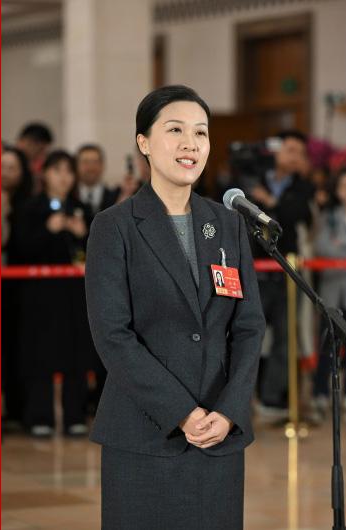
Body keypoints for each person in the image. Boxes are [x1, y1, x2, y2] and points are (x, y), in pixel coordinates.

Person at [85, 85, 266, 530]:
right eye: (175, 130)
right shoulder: (115, 227)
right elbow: (113, 335)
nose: (191, 144)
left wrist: (230, 410)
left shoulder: (228, 224)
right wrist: (182, 412)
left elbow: (248, 327)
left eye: (200, 133)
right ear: (144, 143)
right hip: (145, 434)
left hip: (219, 435)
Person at [14, 150, 91, 437]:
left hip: (73, 294)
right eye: (57, 170)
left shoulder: (80, 207)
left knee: (75, 351)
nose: (64, 177)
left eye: (68, 171)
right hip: (40, 295)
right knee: (40, 353)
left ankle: (75, 415)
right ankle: (39, 416)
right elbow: (21, 248)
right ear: (44, 173)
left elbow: (93, 252)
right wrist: (48, 229)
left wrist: (83, 234)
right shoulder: (30, 208)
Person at [246, 130, 314, 416]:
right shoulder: (254, 180)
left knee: (286, 339)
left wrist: (270, 203)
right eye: (289, 149)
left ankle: (272, 399)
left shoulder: (303, 187)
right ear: (277, 151)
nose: (293, 156)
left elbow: (295, 215)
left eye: (299, 152)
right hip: (255, 273)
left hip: (287, 274)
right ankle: (241, 397)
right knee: (247, 335)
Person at [311, 169, 346, 416]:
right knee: (328, 343)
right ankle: (320, 393)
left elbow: (334, 246)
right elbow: (321, 246)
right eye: (345, 185)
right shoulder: (330, 217)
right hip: (333, 290)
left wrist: (340, 246)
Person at [1, 148, 32, 431]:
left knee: (16, 348)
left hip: (18, 290)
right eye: (2, 166)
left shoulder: (27, 205)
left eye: (12, 167)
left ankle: (16, 408)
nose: (5, 173)